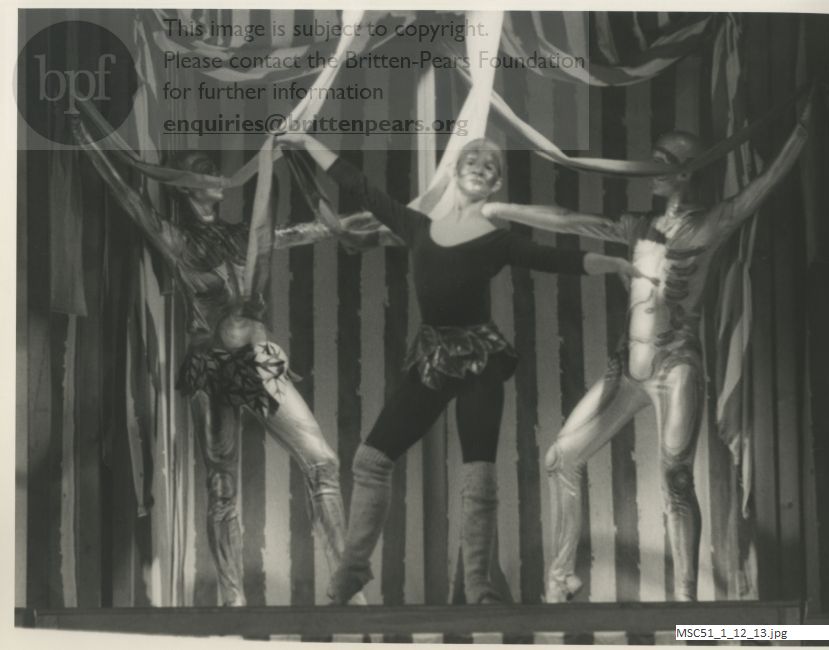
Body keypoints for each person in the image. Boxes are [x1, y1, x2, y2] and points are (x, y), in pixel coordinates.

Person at [277, 132, 649, 605]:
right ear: (456, 168)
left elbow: (555, 258)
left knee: (478, 470)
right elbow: (359, 185)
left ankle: (477, 585)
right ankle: (353, 567)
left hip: (480, 361)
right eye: (472, 160)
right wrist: (307, 140)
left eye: (490, 166)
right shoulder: (415, 225)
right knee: (370, 460)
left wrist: (611, 261)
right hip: (433, 359)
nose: (480, 167)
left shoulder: (496, 239)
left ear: (494, 185)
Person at [482, 97, 811, 602]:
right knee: (560, 457)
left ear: (687, 173)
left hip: (675, 363)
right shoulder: (640, 225)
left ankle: (684, 601)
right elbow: (570, 219)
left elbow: (762, 188)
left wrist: (803, 128)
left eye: (663, 162)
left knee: (676, 477)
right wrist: (501, 209)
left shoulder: (712, 221)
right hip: (628, 365)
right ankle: (560, 578)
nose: (652, 170)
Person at [72, 121, 377, 606]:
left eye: (213, 168)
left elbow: (313, 230)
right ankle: (234, 602)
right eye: (202, 170)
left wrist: (380, 222)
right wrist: (87, 136)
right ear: (183, 186)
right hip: (212, 369)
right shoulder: (177, 238)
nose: (216, 175)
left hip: (256, 363)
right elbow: (126, 193)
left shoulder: (243, 236)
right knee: (222, 487)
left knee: (321, 461)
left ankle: (346, 584)